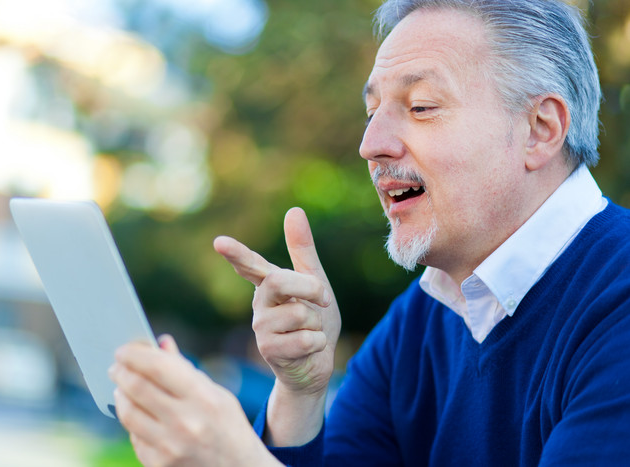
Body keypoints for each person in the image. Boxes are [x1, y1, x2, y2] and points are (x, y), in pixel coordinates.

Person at [108, 0, 630, 465]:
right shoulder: (420, 318)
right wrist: (300, 393)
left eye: (420, 106)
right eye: (372, 111)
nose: (371, 144)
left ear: (540, 129)